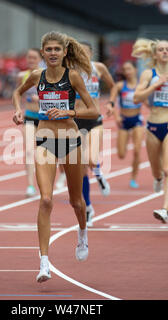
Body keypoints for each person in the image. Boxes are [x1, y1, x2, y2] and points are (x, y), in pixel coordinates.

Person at [12, 31, 99, 283]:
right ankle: (44, 263)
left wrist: (67, 111)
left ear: (64, 52)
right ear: (42, 52)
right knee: (46, 200)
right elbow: (17, 93)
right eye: (48, 49)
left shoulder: (72, 76)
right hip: (45, 140)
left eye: (56, 50)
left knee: (76, 202)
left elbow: (93, 110)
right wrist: (18, 111)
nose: (52, 53)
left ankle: (82, 232)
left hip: (71, 141)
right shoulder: (36, 76)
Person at [132, 38, 168, 223]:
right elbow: (136, 97)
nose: (165, 52)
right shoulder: (148, 74)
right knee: (157, 170)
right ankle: (157, 177)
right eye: (161, 49)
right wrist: (156, 84)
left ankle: (165, 209)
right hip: (153, 126)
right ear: (155, 54)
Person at [74, 41, 115, 227]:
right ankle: (89, 208)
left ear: (91, 53)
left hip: (95, 119)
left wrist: (111, 103)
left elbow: (113, 86)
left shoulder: (98, 68)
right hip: (75, 121)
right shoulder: (70, 71)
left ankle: (98, 174)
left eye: (85, 52)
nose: (83, 55)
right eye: (79, 52)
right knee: (81, 168)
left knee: (91, 158)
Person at [106, 60, 145, 189]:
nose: (127, 71)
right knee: (121, 154)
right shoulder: (119, 85)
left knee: (137, 150)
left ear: (135, 70)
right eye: (125, 69)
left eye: (129, 68)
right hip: (124, 120)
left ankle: (133, 178)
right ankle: (126, 137)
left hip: (137, 120)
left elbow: (148, 101)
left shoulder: (141, 86)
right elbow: (111, 101)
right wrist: (116, 116)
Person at [16, 48, 43, 197]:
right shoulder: (22, 76)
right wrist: (18, 109)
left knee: (45, 154)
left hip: (46, 119)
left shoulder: (47, 75)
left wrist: (40, 99)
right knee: (28, 151)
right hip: (30, 116)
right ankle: (31, 185)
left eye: (34, 58)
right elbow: (17, 94)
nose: (31, 60)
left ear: (40, 59)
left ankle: (48, 182)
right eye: (29, 58)